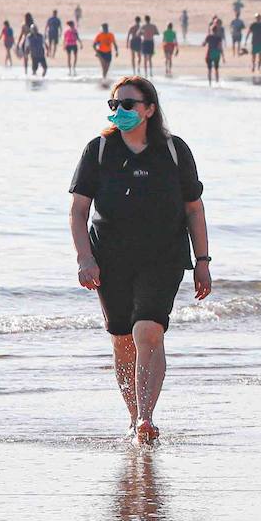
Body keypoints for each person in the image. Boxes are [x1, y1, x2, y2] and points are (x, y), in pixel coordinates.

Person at [69, 76, 210, 444]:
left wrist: (203, 261)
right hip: (110, 258)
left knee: (148, 330)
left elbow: (194, 209)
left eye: (128, 105)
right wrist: (84, 258)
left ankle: (147, 417)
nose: (120, 111)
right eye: (114, 105)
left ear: (149, 109)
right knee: (122, 340)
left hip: (163, 256)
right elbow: (78, 211)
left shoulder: (174, 150)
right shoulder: (99, 149)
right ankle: (133, 417)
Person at [201, 19, 225, 85]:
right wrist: (223, 57)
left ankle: (210, 83)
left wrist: (203, 43)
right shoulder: (219, 38)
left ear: (212, 30)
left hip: (209, 54)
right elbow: (220, 48)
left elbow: (203, 44)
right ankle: (217, 82)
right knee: (216, 69)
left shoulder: (208, 36)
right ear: (217, 30)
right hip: (216, 54)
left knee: (209, 69)